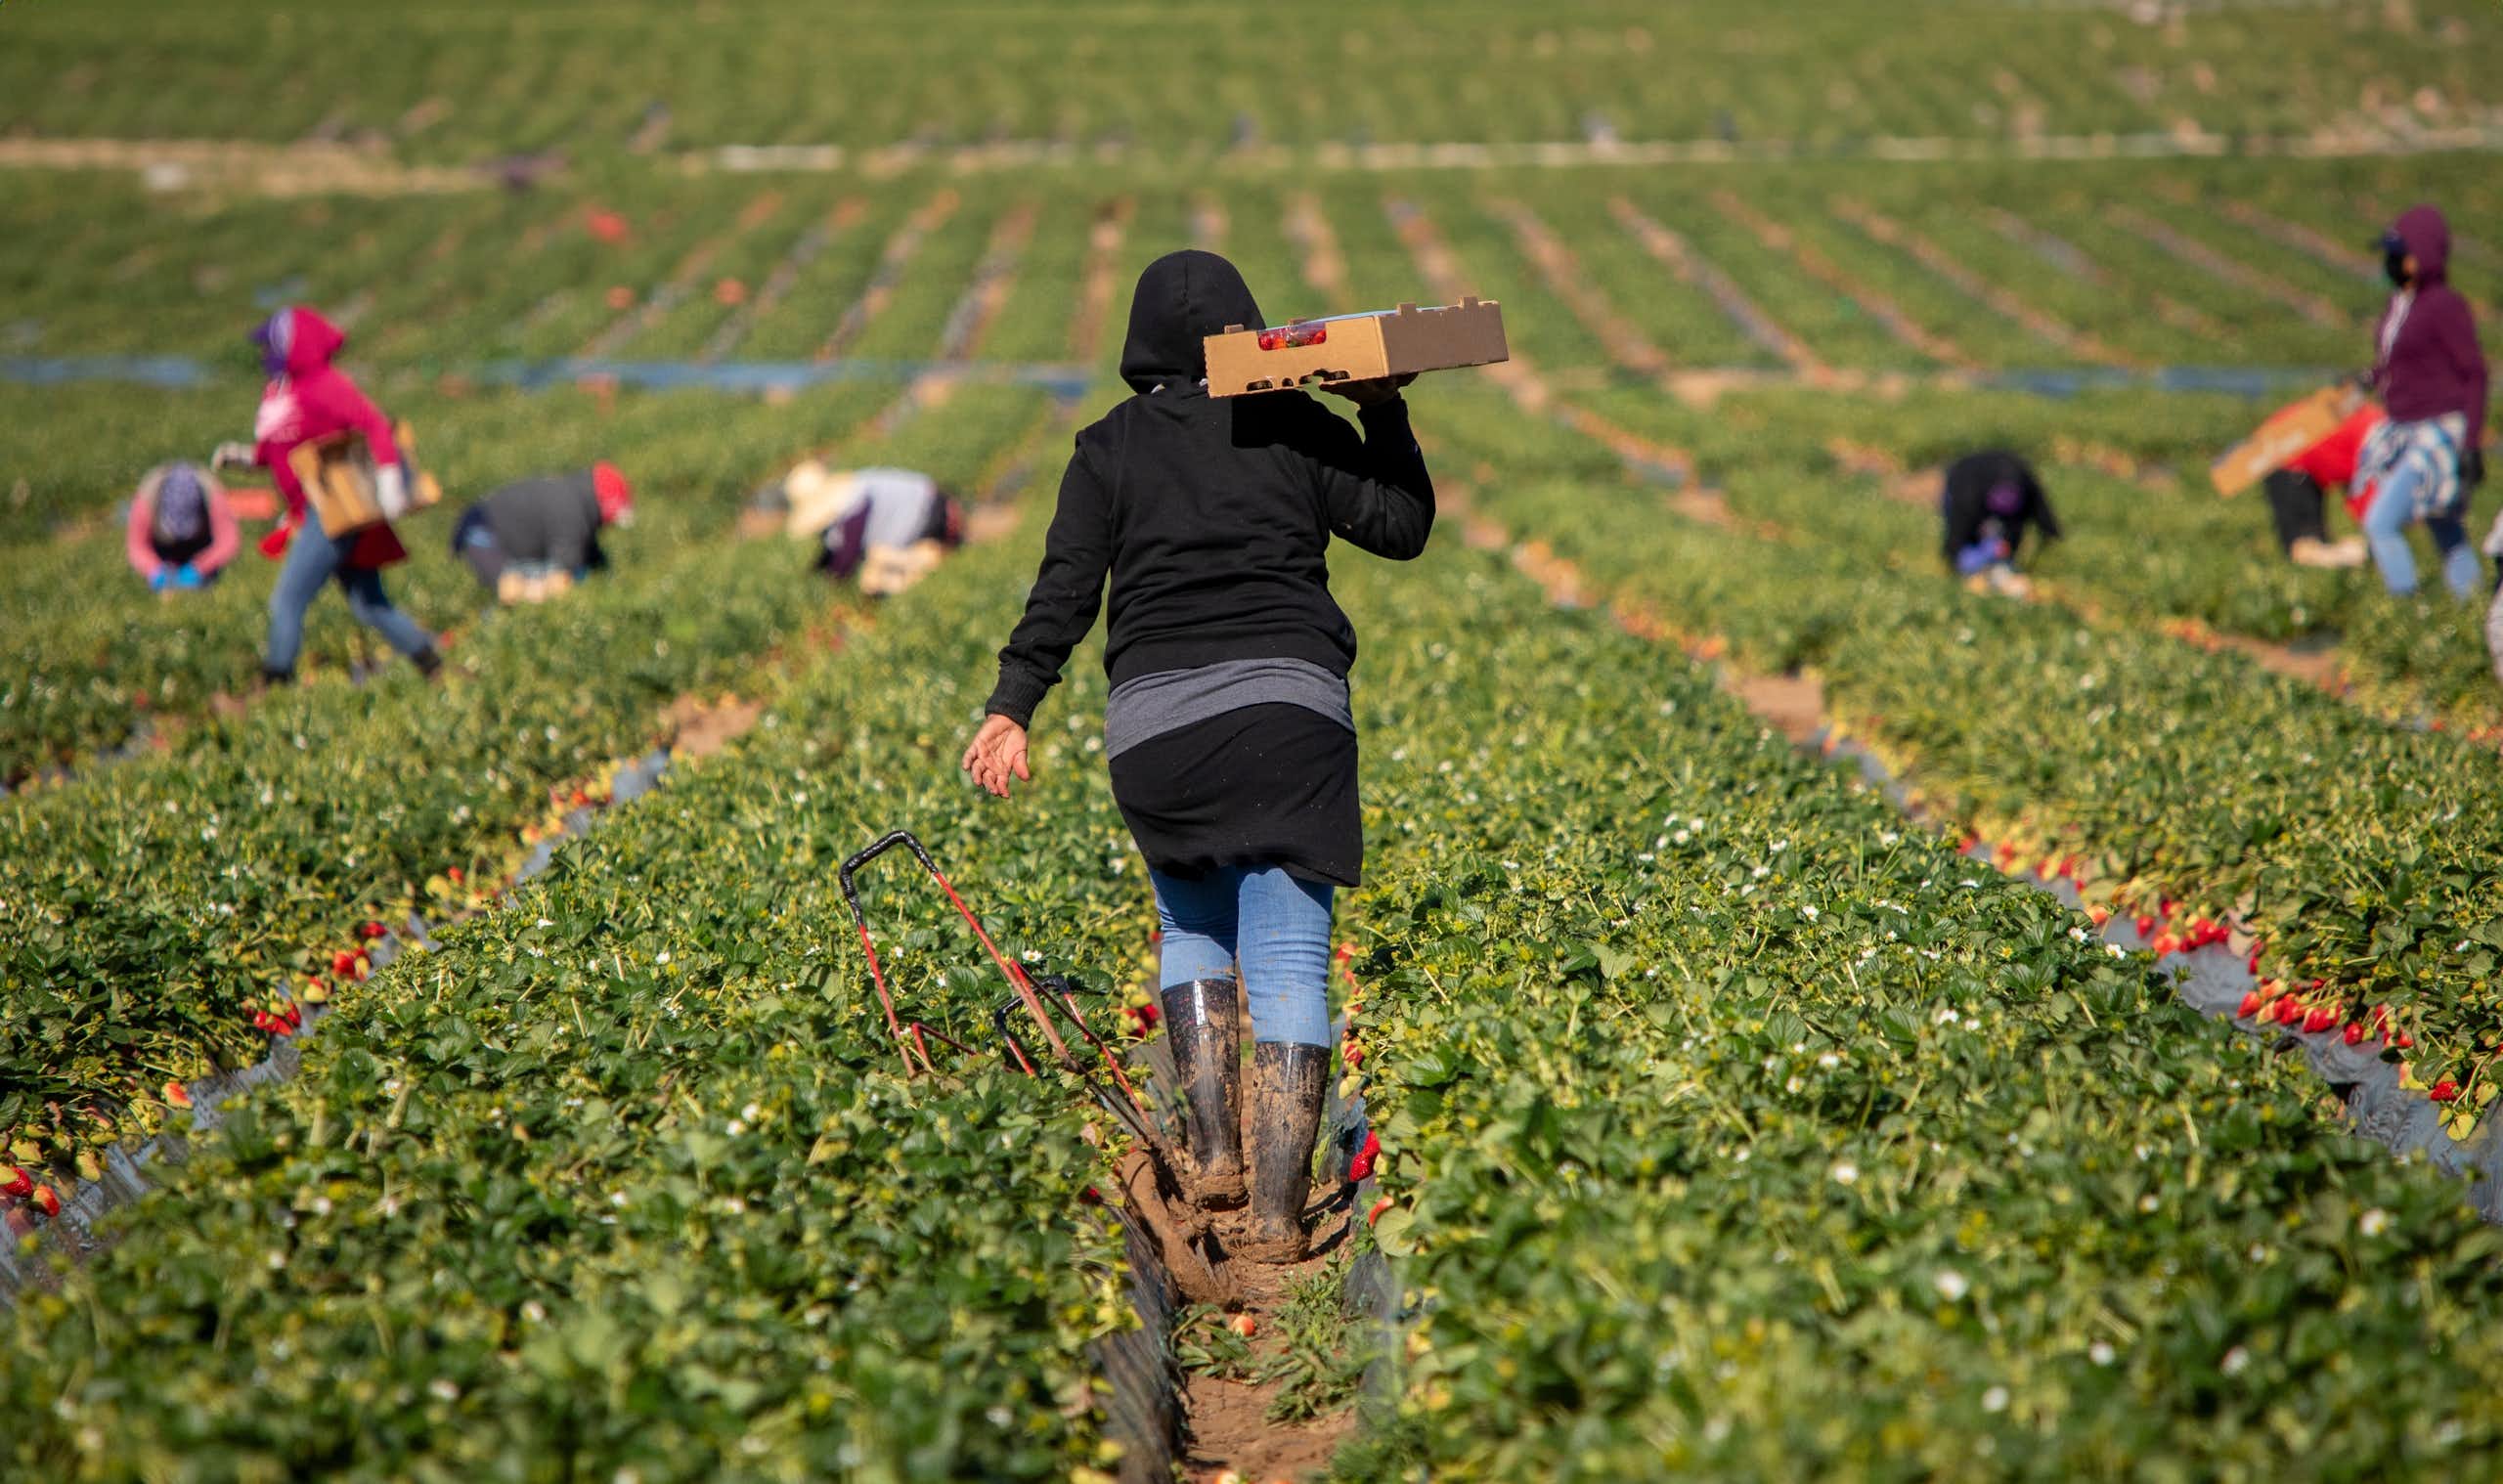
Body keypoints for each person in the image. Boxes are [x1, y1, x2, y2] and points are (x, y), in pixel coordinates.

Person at [960, 250, 1433, 1265]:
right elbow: (1399, 528)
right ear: (1247, 329)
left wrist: (1013, 707)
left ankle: (1213, 1150)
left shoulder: (1106, 446)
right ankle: (1274, 1215)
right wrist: (1381, 411)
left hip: (1156, 732)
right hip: (1288, 715)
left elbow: (1065, 591)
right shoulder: (1291, 421)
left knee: (1191, 925)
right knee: (1293, 960)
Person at [218, 307, 439, 682]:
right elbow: (278, 447)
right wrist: (244, 457)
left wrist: (389, 483)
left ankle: (275, 682)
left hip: (332, 511)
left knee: (286, 600)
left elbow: (375, 426)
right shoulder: (281, 390)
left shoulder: (324, 384)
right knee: (369, 604)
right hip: (313, 512)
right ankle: (432, 666)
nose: (265, 354)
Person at [2359, 205, 2486, 598]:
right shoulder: (2400, 306)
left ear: (2421, 256)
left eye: (2399, 254)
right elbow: (2395, 364)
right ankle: (2472, 608)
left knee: (2380, 522)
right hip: (2405, 425)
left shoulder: (2444, 306)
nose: (2392, 263)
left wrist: (2470, 444)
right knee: (2443, 525)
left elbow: (2475, 374)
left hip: (2437, 429)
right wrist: (2366, 380)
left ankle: (2408, 609)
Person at [451, 462, 634, 603]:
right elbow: (560, 582)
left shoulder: (573, 500)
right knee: (511, 590)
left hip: (484, 528)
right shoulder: (571, 513)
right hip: (480, 534)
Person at [798, 466, 966, 597]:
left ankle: (926, 570)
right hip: (934, 503)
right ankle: (924, 568)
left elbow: (846, 555)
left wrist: (830, 583)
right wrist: (814, 572)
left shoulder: (854, 510)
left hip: (934, 516)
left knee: (874, 575)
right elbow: (832, 552)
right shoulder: (859, 487)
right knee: (874, 568)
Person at [1940, 449, 2059, 594]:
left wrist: (2049, 531)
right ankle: (1974, 568)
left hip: (1998, 494)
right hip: (1962, 481)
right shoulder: (1967, 495)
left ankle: (1996, 569)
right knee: (1965, 553)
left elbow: (2040, 508)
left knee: (2002, 550)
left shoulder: (2022, 480)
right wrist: (1956, 561)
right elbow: (1955, 534)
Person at [124, 461, 239, 592]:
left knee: (206, 586)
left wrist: (200, 567)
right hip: (161, 546)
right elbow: (136, 546)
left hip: (201, 546)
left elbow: (228, 542)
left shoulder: (211, 494)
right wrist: (154, 569)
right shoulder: (147, 497)